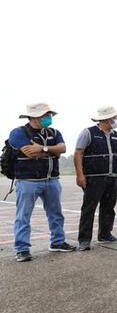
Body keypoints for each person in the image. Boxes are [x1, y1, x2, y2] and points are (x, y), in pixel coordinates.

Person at [9, 104, 76, 262]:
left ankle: (57, 242)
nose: (48, 118)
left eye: (49, 115)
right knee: (23, 216)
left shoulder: (54, 132)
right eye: (45, 115)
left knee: (56, 214)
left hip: (51, 180)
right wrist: (53, 151)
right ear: (33, 117)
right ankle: (22, 249)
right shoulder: (19, 133)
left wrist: (43, 149)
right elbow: (30, 153)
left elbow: (63, 148)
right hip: (28, 181)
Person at [75, 106, 117, 251]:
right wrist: (80, 174)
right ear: (107, 119)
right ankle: (84, 240)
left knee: (109, 207)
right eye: (114, 117)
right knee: (89, 208)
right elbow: (78, 153)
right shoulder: (88, 133)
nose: (116, 120)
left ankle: (105, 234)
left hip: (112, 177)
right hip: (94, 178)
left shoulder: (116, 135)